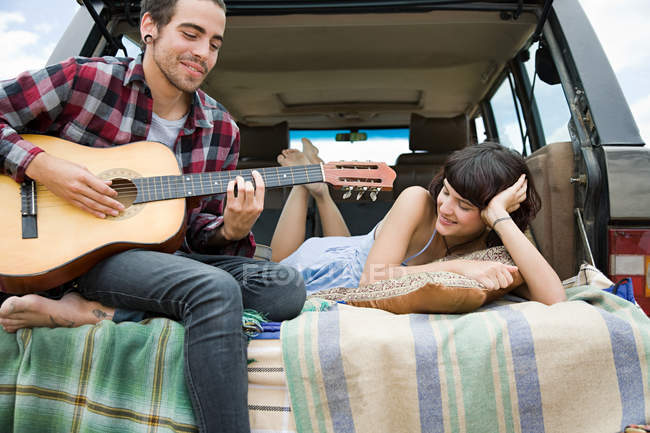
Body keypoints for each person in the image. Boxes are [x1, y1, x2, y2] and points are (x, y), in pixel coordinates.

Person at [0, 0, 306, 432]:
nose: (204, 52)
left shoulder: (221, 128)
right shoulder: (86, 79)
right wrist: (43, 166)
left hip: (160, 263)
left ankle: (89, 312)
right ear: (150, 27)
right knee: (213, 290)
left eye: (215, 43)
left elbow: (199, 235)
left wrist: (229, 231)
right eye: (191, 33)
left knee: (285, 287)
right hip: (76, 256)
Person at [271, 138, 566, 305]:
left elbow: (555, 300)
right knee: (278, 265)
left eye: (463, 205)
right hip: (329, 263)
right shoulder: (418, 200)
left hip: (359, 250)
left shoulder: (496, 237)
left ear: (490, 211)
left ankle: (318, 188)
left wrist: (501, 218)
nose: (446, 209)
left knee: (354, 243)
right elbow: (371, 279)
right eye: (447, 192)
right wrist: (456, 266)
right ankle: (307, 181)